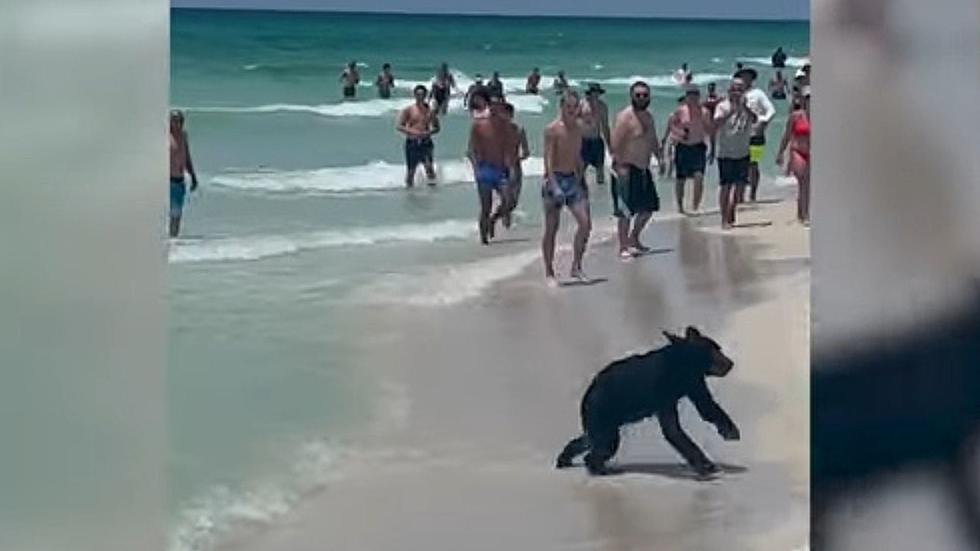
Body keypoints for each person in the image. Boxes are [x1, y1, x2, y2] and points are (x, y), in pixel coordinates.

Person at [610, 81, 665, 260]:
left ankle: (634, 238)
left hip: (643, 168)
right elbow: (615, 145)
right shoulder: (624, 118)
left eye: (645, 95)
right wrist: (619, 167)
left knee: (648, 209)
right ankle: (622, 246)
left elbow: (652, 139)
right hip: (626, 168)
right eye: (638, 95)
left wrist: (660, 158)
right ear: (631, 96)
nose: (641, 98)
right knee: (625, 212)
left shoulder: (648, 117)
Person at [542, 90, 592, 286]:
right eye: (568, 107)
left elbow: (577, 155)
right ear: (561, 107)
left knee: (585, 224)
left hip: (573, 180)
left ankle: (576, 266)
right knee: (551, 229)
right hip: (554, 180)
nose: (571, 110)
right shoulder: (552, 129)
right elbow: (548, 160)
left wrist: (582, 178)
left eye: (574, 107)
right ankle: (549, 272)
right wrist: (554, 185)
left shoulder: (578, 128)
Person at [468, 88, 517, 244]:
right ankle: (484, 240)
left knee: (509, 201)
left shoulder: (506, 126)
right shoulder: (478, 125)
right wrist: (476, 169)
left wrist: (512, 168)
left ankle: (493, 220)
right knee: (485, 206)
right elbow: (471, 150)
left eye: (499, 104)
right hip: (485, 169)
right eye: (494, 104)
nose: (497, 107)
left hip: (501, 169)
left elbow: (510, 148)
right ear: (489, 106)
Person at [710, 78, 757, 229]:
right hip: (726, 153)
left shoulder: (747, 107)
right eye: (734, 89)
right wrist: (730, 112)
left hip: (743, 151)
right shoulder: (722, 106)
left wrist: (745, 108)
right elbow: (715, 125)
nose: (737, 92)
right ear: (729, 90)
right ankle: (724, 219)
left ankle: (731, 208)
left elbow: (755, 119)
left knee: (741, 188)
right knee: (726, 186)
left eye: (740, 89)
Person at [669, 84, 712, 215]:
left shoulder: (704, 112)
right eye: (690, 95)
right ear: (686, 97)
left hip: (698, 146)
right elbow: (672, 125)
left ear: (699, 96)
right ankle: (680, 207)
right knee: (680, 179)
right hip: (683, 147)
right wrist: (678, 134)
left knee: (699, 176)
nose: (693, 98)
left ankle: (695, 207)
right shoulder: (680, 111)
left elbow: (710, 130)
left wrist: (713, 148)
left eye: (695, 95)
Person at [735, 68, 775, 203]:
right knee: (740, 164)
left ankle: (752, 194)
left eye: (747, 77)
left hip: (755, 135)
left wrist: (762, 123)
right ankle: (739, 195)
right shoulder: (735, 95)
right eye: (742, 77)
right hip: (738, 135)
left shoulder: (758, 94)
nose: (744, 80)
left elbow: (771, 110)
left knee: (753, 164)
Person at [776, 86, 810, 225]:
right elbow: (786, 135)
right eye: (807, 98)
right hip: (797, 151)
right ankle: (805, 214)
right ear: (803, 100)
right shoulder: (796, 116)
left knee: (809, 184)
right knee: (803, 180)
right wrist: (780, 153)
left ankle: (802, 212)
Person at [396, 85, 441, 187]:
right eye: (418, 94)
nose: (420, 96)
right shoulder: (408, 110)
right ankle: (409, 193)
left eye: (422, 94)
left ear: (425, 95)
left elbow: (437, 128)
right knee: (411, 171)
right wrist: (412, 132)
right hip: (412, 143)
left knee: (429, 168)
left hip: (426, 142)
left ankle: (433, 193)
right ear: (414, 95)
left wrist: (428, 133)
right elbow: (399, 126)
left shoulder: (430, 111)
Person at [169, 110, 198, 238]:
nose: (176, 123)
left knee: (176, 215)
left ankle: (173, 242)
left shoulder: (183, 136)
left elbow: (186, 157)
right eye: (173, 120)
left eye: (179, 120)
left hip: (179, 181)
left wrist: (193, 176)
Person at [578, 83, 612, 185]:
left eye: (597, 93)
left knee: (600, 170)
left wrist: (610, 145)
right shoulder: (582, 104)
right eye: (594, 92)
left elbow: (605, 127)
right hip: (583, 141)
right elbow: (574, 123)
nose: (596, 95)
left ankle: (600, 195)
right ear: (590, 93)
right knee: (580, 170)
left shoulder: (602, 107)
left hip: (597, 141)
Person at [503, 103, 530, 223]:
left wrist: (519, 157)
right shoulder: (496, 132)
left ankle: (501, 215)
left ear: (512, 115)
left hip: (515, 166)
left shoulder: (519, 130)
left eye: (508, 115)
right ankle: (501, 218)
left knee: (514, 201)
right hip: (501, 167)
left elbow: (526, 151)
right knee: (506, 197)